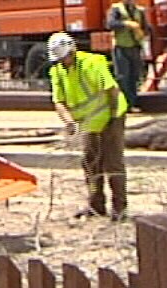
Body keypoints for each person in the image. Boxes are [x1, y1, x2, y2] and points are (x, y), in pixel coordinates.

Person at [46, 30, 130, 221]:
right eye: (61, 59)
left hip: (111, 115)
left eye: (66, 57)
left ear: (73, 51)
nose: (64, 61)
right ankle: (96, 206)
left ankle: (120, 209)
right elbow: (59, 101)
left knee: (113, 162)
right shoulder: (57, 71)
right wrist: (68, 121)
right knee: (90, 162)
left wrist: (113, 118)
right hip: (88, 122)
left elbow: (112, 90)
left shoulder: (92, 63)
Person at [105, 0, 149, 110]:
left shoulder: (139, 11)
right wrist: (127, 24)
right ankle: (124, 104)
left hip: (135, 47)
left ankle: (132, 102)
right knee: (122, 76)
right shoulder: (116, 9)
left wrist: (142, 33)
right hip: (121, 47)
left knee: (134, 76)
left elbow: (146, 28)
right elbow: (110, 24)